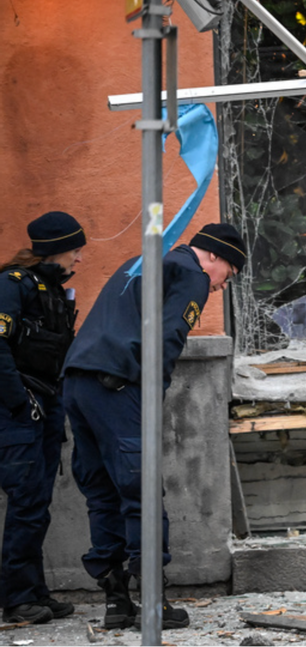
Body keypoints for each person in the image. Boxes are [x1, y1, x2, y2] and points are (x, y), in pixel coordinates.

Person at [61, 223, 246, 630]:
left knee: (102, 492)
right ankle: (151, 602)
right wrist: (153, 397)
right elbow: (168, 337)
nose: (220, 288)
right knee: (141, 490)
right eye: (228, 275)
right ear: (213, 255)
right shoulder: (192, 274)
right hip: (118, 386)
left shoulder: (141, 262)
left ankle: (116, 601)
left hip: (77, 382)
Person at [0, 212, 86, 625]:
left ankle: (34, 591)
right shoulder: (12, 285)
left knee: (37, 503)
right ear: (55, 251)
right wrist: (19, 401)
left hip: (45, 404)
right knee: (26, 503)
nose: (79, 260)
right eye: (75, 250)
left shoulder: (49, 289)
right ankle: (17, 599)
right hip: (20, 409)